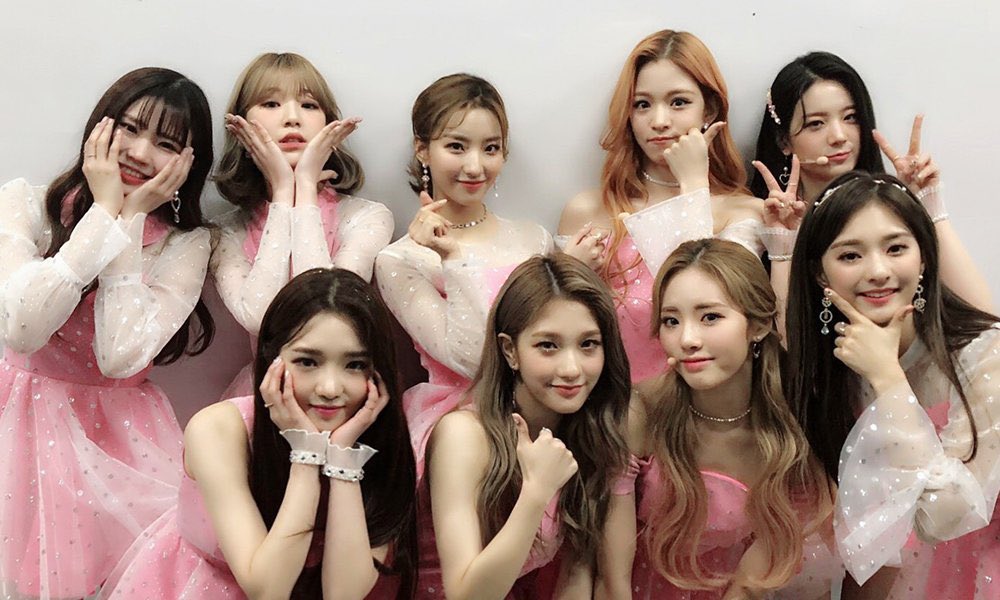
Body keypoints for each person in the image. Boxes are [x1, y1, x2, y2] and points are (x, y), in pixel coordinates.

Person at [0, 67, 216, 598]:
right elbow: (23, 329)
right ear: (101, 125)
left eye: (166, 144)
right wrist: (105, 214)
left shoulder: (187, 245)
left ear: (188, 164)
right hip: (16, 417)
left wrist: (130, 220)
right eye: (130, 128)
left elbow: (119, 356)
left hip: (120, 435)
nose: (140, 153)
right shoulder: (26, 203)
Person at [101, 268, 418, 599]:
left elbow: (343, 594)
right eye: (307, 362)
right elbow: (267, 589)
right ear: (272, 360)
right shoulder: (218, 430)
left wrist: (342, 457)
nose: (329, 388)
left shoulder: (377, 438)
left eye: (355, 365)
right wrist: (306, 453)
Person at [784, 172, 1000, 598]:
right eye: (850, 255)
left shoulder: (984, 354)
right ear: (820, 275)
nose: (878, 271)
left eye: (896, 248)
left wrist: (887, 378)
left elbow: (945, 516)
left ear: (924, 258)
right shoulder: (830, 369)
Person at [597, 238, 835, 599]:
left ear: (758, 325)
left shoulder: (793, 424)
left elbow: (752, 582)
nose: (687, 339)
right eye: (671, 321)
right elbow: (611, 576)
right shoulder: (640, 413)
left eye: (710, 317)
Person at [558, 29, 776, 383]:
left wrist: (693, 186)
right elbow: (556, 331)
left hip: (708, 403)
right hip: (611, 403)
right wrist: (569, 274)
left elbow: (703, 297)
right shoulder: (588, 211)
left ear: (710, 109)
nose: (659, 121)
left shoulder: (744, 211)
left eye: (678, 102)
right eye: (642, 104)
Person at [420, 254, 631, 598]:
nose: (572, 369)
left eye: (588, 344)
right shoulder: (465, 435)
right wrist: (535, 492)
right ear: (510, 350)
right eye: (548, 346)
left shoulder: (586, 431)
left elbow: (576, 571)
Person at [375, 74, 552, 468]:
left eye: (491, 148)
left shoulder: (534, 239)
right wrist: (452, 258)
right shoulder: (399, 259)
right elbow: (471, 359)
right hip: (461, 430)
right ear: (423, 149)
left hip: (547, 413)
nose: (475, 166)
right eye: (456, 146)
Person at [750, 51, 992, 311]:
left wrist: (928, 204)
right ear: (783, 141)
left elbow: (980, 317)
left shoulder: (889, 206)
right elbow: (783, 333)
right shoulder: (764, 221)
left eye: (850, 117)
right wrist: (783, 248)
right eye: (816, 123)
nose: (839, 136)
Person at [212, 52, 393, 397]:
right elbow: (259, 317)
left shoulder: (366, 217)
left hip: (341, 397)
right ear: (241, 125)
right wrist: (284, 192)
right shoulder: (226, 232)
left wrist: (306, 188)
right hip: (261, 398)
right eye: (271, 103)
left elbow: (324, 315)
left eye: (309, 105)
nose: (292, 118)